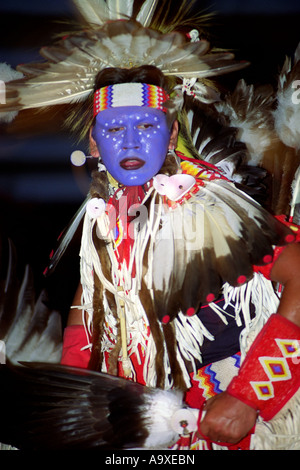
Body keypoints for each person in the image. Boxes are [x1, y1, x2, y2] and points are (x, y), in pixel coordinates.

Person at [60, 65, 300, 450]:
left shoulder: (206, 203)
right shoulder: (109, 212)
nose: (131, 144)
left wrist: (249, 396)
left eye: (147, 127)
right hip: (156, 420)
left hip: (226, 418)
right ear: (93, 142)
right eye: (115, 130)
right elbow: (90, 304)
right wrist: (67, 404)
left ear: (171, 135)